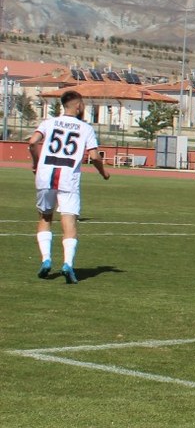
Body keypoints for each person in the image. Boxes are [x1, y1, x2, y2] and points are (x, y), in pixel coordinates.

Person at [27, 89, 110, 284]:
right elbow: (94, 156)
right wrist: (103, 172)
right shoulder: (85, 128)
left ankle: (46, 259)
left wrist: (36, 163)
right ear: (79, 105)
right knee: (69, 220)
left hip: (45, 175)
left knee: (45, 217)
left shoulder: (48, 123)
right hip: (68, 177)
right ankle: (67, 264)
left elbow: (32, 142)